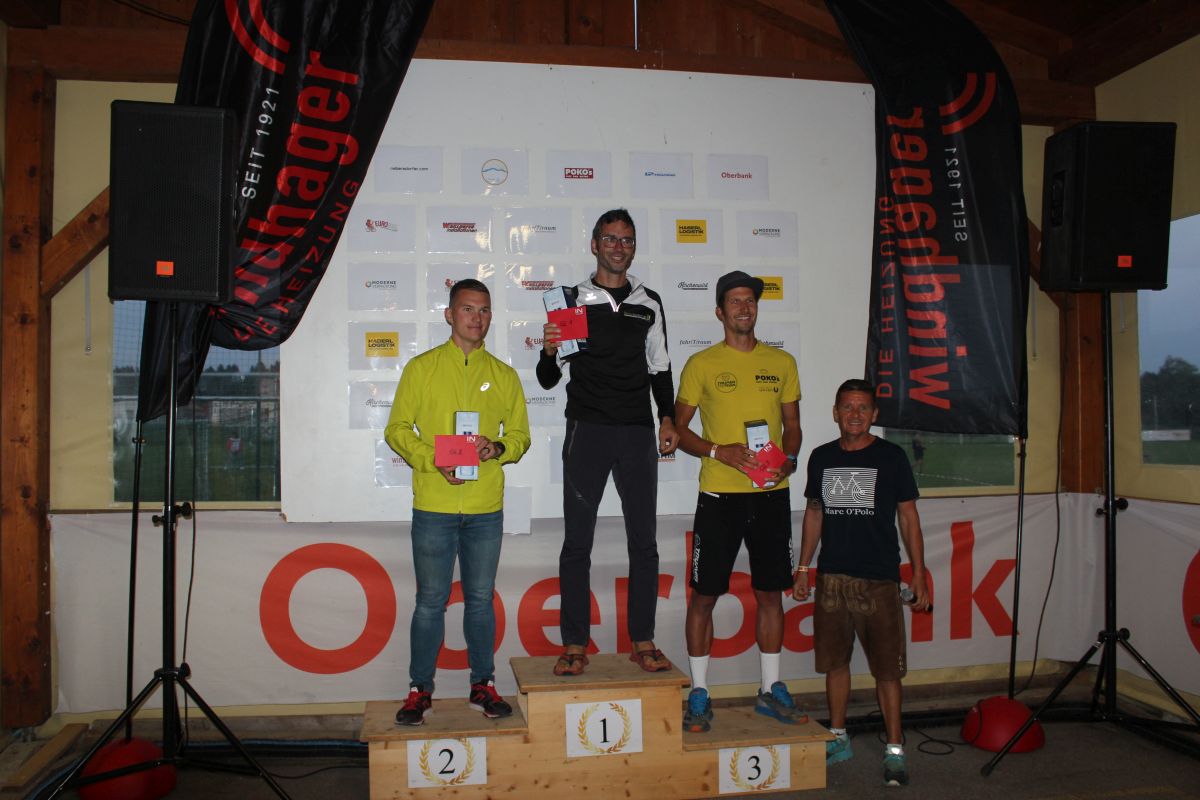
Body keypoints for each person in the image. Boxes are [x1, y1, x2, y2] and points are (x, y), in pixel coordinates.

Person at [537, 208, 678, 676]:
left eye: (627, 240)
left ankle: (643, 639)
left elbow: (660, 367)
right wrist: (549, 351)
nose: (619, 247)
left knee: (645, 542)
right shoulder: (573, 301)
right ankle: (574, 643)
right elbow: (547, 378)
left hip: (637, 431)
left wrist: (668, 418)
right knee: (577, 543)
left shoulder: (648, 301)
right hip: (588, 430)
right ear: (595, 244)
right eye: (611, 239)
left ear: (633, 247)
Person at [385, 279, 531, 725]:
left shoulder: (504, 375)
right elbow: (396, 429)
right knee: (430, 601)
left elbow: (520, 437)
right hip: (434, 506)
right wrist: (431, 459)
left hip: (485, 509)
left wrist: (497, 448)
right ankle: (419, 690)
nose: (476, 318)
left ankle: (482, 685)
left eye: (484, 310)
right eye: (467, 309)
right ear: (449, 314)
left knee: (481, 600)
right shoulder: (421, 368)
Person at [673, 271, 806, 732]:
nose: (744, 308)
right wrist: (718, 451)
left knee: (770, 594)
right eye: (735, 301)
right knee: (704, 596)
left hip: (771, 496)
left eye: (750, 300)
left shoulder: (782, 362)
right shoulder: (701, 364)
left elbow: (793, 426)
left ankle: (770, 688)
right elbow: (678, 429)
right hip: (720, 495)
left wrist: (789, 459)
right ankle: (699, 692)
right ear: (719, 311)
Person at [792, 379, 931, 787]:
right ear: (836, 412)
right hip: (832, 579)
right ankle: (838, 736)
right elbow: (814, 513)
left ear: (874, 414)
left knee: (887, 672)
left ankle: (894, 749)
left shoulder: (891, 457)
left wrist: (918, 572)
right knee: (835, 664)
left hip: (880, 581)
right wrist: (804, 568)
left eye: (863, 408)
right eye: (847, 407)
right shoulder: (820, 457)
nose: (855, 414)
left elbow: (908, 517)